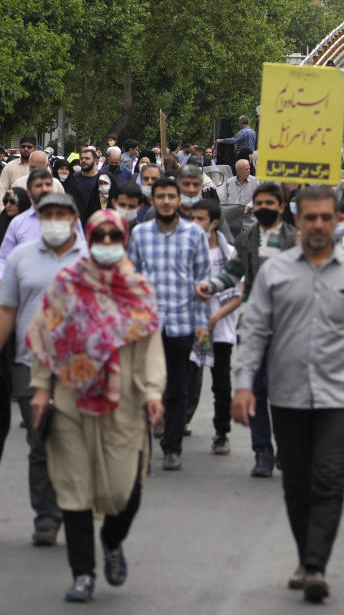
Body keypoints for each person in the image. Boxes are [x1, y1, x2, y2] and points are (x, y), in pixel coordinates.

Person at [231, 187, 344, 603]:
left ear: (338, 219)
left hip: (340, 397)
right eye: (310, 218)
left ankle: (316, 564)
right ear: (297, 221)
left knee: (329, 480)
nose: (318, 225)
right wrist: (244, 383)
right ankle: (306, 557)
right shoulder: (274, 272)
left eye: (325, 218)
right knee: (298, 484)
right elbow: (255, 331)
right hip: (288, 396)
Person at [24, 209, 164, 603]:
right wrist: (39, 389)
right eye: (97, 236)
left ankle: (113, 539)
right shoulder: (66, 286)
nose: (104, 243)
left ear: (122, 240)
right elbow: (44, 337)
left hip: (124, 403)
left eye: (111, 236)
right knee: (74, 490)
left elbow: (151, 347)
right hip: (70, 400)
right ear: (89, 237)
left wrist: (153, 393)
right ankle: (82, 573)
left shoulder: (137, 288)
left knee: (126, 491)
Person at [0, 192, 87, 547]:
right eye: (46, 213)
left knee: (69, 440)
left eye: (60, 213)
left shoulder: (91, 261)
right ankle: (46, 517)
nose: (53, 219)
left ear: (73, 218)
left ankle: (75, 505)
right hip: (28, 362)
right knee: (39, 439)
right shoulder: (21, 257)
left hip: (78, 366)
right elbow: (7, 310)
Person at [196, 183, 297, 477]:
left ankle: (287, 448)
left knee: (285, 393)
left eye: (270, 202)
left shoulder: (295, 238)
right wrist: (211, 286)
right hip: (253, 323)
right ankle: (262, 452)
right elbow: (234, 271)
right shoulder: (248, 236)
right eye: (259, 202)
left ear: (281, 206)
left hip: (288, 327)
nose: (264, 207)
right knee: (255, 389)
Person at [127, 177, 211, 472]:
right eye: (159, 196)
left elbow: (203, 282)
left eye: (170, 197)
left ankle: (172, 447)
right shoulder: (139, 235)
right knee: (143, 388)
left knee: (177, 388)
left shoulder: (194, 235)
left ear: (179, 201)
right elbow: (131, 282)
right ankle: (142, 449)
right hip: (147, 326)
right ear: (152, 200)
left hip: (181, 324)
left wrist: (202, 326)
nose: (165, 201)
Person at [184, 200, 242, 453]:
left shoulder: (229, 253)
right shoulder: (185, 251)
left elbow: (239, 294)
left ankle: (221, 432)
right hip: (192, 327)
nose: (195, 224)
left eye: (200, 219)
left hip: (219, 328)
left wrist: (216, 317)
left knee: (221, 383)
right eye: (192, 218)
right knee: (184, 377)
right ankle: (177, 423)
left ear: (214, 223)